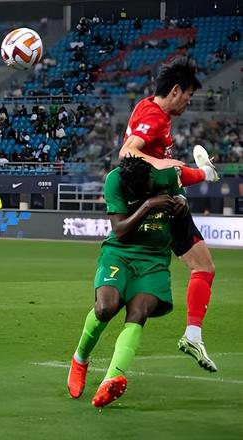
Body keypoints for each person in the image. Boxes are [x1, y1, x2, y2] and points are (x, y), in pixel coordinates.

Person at [118, 56, 218, 372]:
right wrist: (166, 165)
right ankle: (192, 335)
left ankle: (192, 335)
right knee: (203, 267)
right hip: (162, 205)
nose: (188, 102)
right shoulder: (155, 115)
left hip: (164, 199)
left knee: (203, 267)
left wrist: (200, 174)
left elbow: (168, 170)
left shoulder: (148, 107)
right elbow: (127, 152)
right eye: (188, 96)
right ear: (175, 91)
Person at [67, 156, 187, 407]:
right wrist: (148, 205)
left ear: (150, 178)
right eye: (136, 192)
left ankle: (111, 380)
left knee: (138, 312)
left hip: (153, 259)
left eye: (145, 188)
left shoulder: (166, 173)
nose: (141, 193)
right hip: (119, 253)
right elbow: (119, 230)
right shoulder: (115, 180)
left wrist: (182, 203)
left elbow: (181, 196)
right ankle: (80, 359)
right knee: (105, 308)